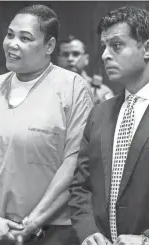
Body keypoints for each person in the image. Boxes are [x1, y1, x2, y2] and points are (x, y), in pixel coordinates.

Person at [0, 4, 93, 245]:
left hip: (57, 230)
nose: (12, 44)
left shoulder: (73, 88)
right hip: (0, 231)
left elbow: (75, 162)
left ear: (49, 46)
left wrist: (33, 222)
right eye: (10, 35)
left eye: (25, 38)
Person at [69, 6, 149, 245]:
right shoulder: (99, 114)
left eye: (116, 46)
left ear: (146, 48)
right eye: (104, 46)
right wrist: (87, 231)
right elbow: (80, 186)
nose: (104, 55)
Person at [57, 35, 114, 105]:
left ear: (86, 59)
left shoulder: (101, 92)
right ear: (58, 59)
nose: (70, 59)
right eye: (65, 54)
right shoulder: (48, 89)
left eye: (76, 54)